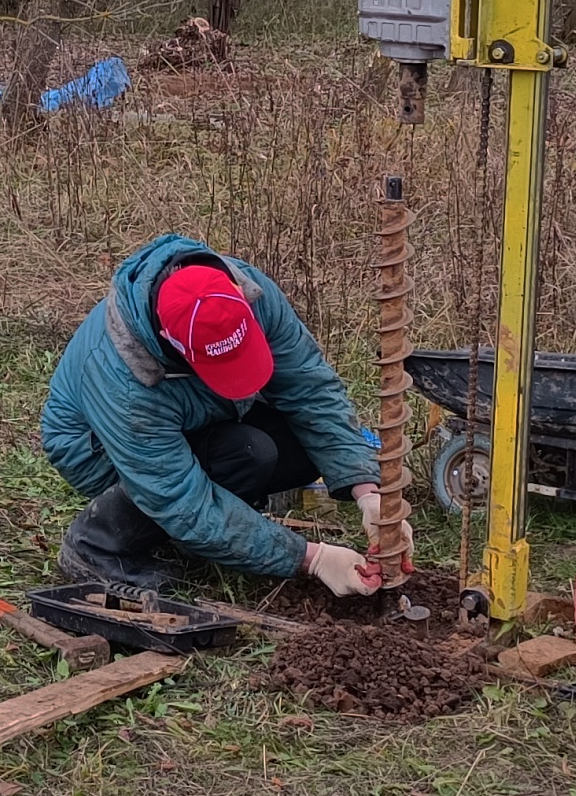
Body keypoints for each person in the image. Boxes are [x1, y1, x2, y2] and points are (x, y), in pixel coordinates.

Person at [41, 233, 414, 597]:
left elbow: (310, 391)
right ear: (176, 348)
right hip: (94, 449)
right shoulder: (124, 381)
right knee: (241, 454)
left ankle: (219, 531)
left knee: (294, 446)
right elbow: (177, 497)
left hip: (197, 414)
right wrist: (311, 558)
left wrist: (368, 492)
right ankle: (96, 546)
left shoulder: (246, 290)